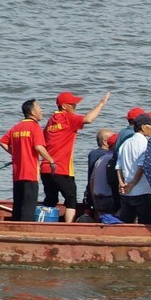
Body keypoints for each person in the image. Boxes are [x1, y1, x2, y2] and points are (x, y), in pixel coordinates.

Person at [39, 90, 110, 224]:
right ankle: (68, 227)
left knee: (50, 199)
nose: (75, 107)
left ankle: (44, 224)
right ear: (64, 106)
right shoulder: (67, 118)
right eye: (73, 104)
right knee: (71, 200)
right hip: (61, 168)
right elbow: (88, 119)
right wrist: (101, 104)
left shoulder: (50, 121)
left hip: (45, 168)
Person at [0, 99, 57, 222]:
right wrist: (51, 160)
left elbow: (2, 142)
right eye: (39, 107)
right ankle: (24, 232)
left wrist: (16, 153)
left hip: (17, 173)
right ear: (32, 112)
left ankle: (14, 230)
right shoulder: (35, 127)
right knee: (28, 207)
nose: (41, 110)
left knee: (18, 205)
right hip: (30, 173)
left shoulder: (16, 127)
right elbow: (39, 147)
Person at [116, 113, 151, 224]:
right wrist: (133, 184)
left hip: (126, 191)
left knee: (127, 223)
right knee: (145, 223)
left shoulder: (126, 143)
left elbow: (118, 165)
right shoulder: (145, 143)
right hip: (141, 191)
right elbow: (142, 166)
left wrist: (121, 182)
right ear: (143, 127)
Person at [87, 132, 119, 217]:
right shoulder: (114, 159)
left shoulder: (100, 159)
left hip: (98, 197)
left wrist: (94, 199)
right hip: (109, 198)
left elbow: (92, 181)